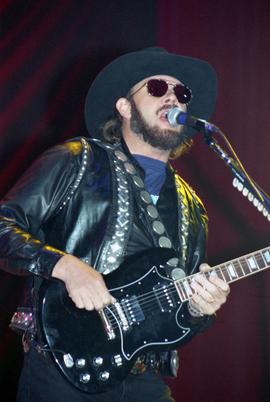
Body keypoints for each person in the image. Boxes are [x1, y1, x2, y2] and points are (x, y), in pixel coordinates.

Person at [0, 47, 230, 402]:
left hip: (144, 380)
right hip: (62, 369)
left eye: (182, 93)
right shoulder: (76, 160)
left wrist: (199, 308)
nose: (173, 97)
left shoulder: (192, 206)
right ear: (124, 107)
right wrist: (65, 266)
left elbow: (170, 310)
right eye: (156, 87)